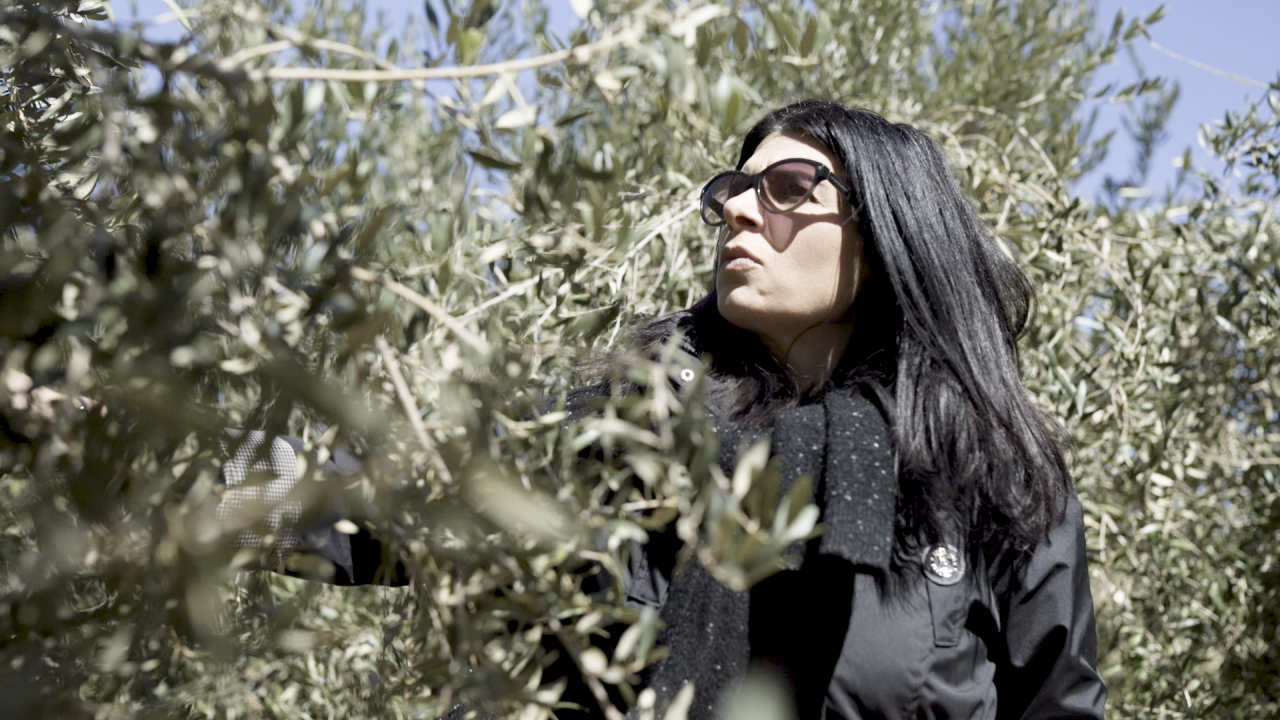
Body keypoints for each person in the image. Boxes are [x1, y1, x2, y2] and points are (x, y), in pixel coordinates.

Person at [219, 99, 1107, 719]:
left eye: (789, 189)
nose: (741, 213)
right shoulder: (617, 418)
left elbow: (1057, 707)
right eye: (733, 191)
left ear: (887, 236)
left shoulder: (989, 477)